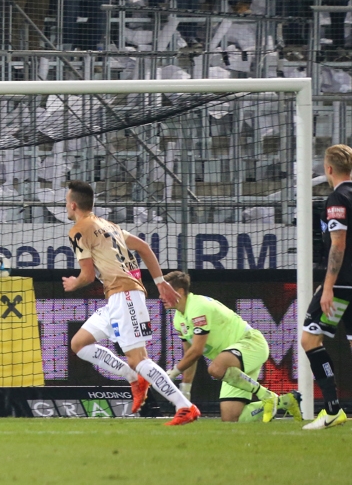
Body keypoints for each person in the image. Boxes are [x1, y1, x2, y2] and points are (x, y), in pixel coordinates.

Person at [61, 180, 199, 425]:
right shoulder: (109, 225)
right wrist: (159, 281)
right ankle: (133, 378)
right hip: (117, 296)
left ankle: (184, 406)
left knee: (138, 358)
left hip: (125, 295)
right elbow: (144, 248)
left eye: (66, 202)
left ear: (73, 205)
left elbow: (88, 275)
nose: (66, 206)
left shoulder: (78, 230)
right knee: (79, 343)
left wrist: (74, 283)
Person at [163, 270, 302, 423]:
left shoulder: (198, 306)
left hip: (251, 343)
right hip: (232, 363)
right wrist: (185, 394)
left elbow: (196, 351)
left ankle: (267, 396)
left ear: (180, 292)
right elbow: (189, 356)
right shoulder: (178, 319)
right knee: (231, 418)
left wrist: (172, 373)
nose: (160, 297)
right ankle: (286, 401)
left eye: (164, 292)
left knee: (215, 369)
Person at [301, 144, 352, 430]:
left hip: (342, 286)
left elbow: (338, 243)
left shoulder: (337, 198)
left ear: (329, 169)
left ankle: (332, 409)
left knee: (310, 341)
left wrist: (328, 287)